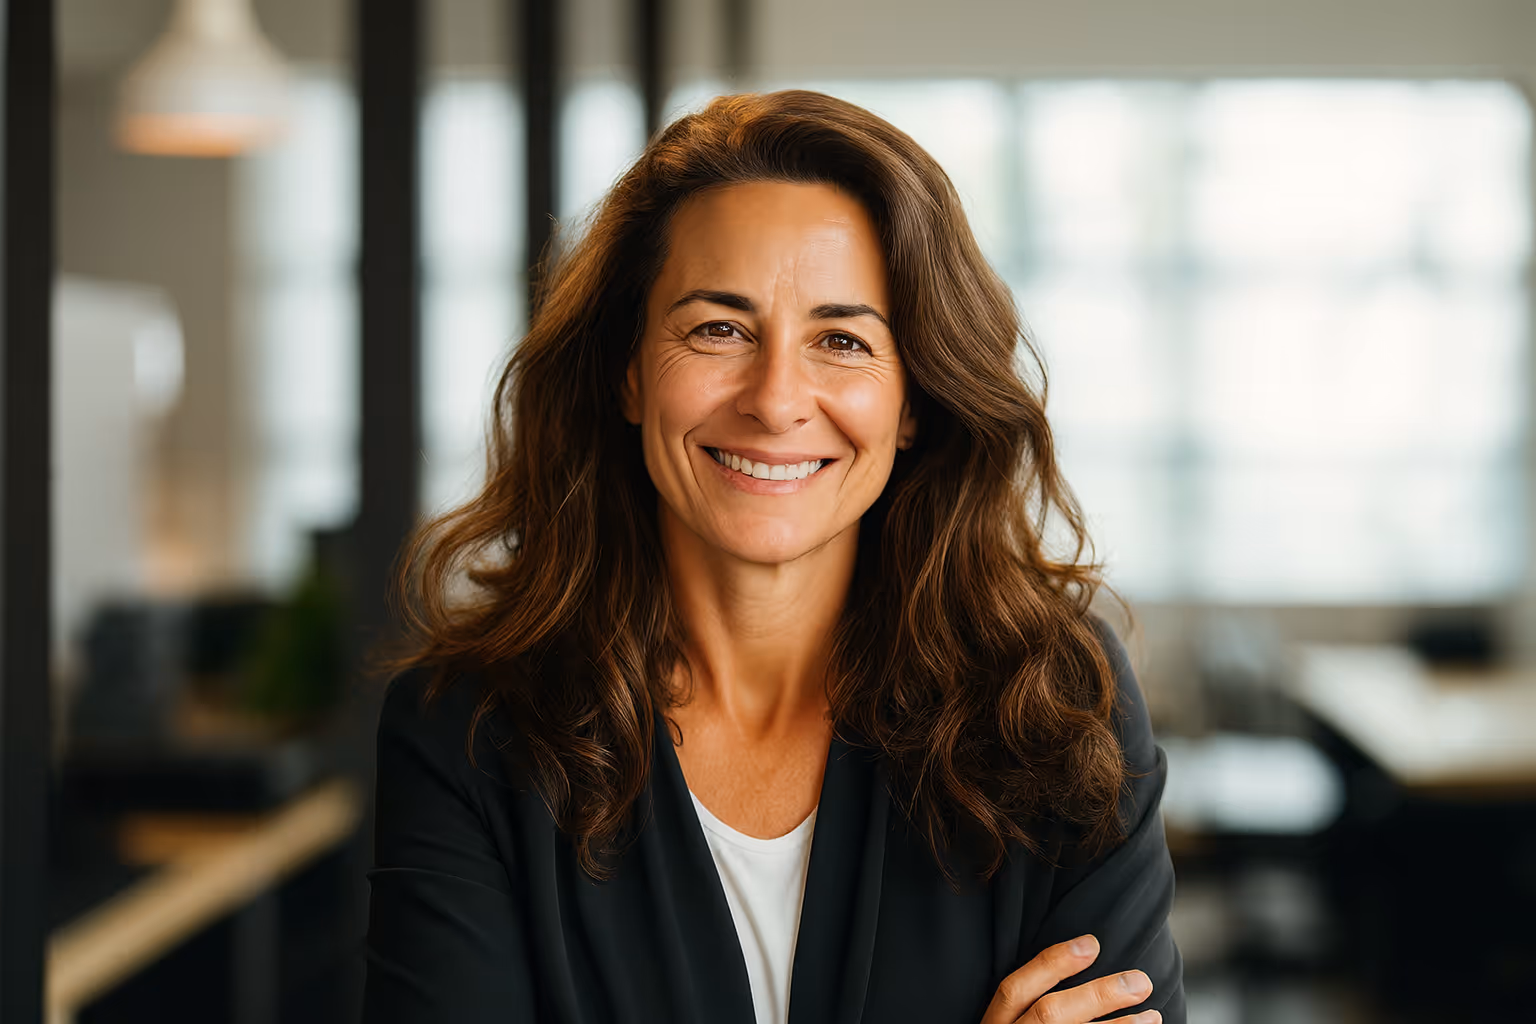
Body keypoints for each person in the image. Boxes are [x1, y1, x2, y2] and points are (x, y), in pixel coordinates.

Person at [362, 90, 1184, 1024]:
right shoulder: (470, 733)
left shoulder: (1056, 701)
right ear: (628, 370)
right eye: (718, 328)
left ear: (914, 400)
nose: (777, 399)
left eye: (842, 340)